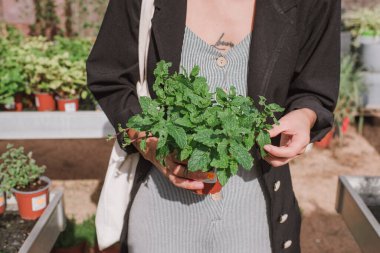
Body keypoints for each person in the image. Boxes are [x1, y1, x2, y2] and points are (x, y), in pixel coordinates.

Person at [86, 0, 340, 252]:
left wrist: (304, 115)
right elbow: (110, 77)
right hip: (160, 215)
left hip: (255, 217)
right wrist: (152, 145)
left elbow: (314, 86)